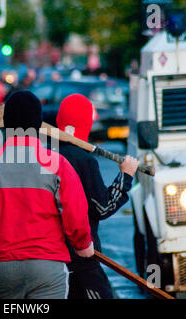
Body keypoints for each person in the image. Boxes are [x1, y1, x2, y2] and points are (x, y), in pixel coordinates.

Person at [0, 90, 93, 299]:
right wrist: (83, 245)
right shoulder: (57, 165)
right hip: (48, 268)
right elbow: (76, 215)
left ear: (6, 123)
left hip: (3, 269)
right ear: (39, 125)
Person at [56, 93, 140, 299]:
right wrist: (125, 176)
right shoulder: (85, 161)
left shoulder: (47, 156)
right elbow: (102, 207)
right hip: (82, 259)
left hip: (49, 261)